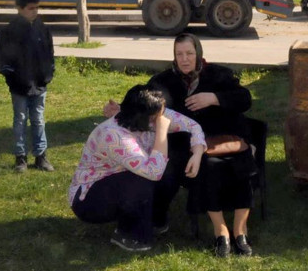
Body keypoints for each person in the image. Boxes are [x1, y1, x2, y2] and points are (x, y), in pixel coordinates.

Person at [103, 33, 256, 257]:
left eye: (189, 53)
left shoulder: (218, 75)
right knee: (187, 168)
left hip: (222, 139)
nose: (184, 59)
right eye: (179, 54)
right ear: (174, 56)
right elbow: (144, 103)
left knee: (232, 164)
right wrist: (121, 111)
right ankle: (197, 224)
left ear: (199, 53)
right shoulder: (162, 81)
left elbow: (244, 99)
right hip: (182, 144)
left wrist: (214, 98)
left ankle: (238, 230)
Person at [69, 85, 206, 252]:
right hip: (89, 199)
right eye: (157, 117)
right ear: (142, 117)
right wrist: (162, 132)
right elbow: (153, 172)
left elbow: (193, 126)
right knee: (143, 180)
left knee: (171, 167)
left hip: (125, 179)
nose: (162, 119)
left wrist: (197, 153)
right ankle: (130, 234)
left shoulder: (151, 113)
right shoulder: (114, 135)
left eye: (162, 114)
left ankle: (155, 219)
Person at [0, 0, 55, 172]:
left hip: (39, 85)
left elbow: (50, 54)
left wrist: (48, 73)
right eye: (30, 8)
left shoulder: (42, 29)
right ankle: (20, 158)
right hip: (19, 86)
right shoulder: (9, 31)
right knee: (20, 120)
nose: (35, 11)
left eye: (37, 8)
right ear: (19, 8)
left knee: (38, 119)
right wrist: (11, 75)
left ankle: (41, 156)